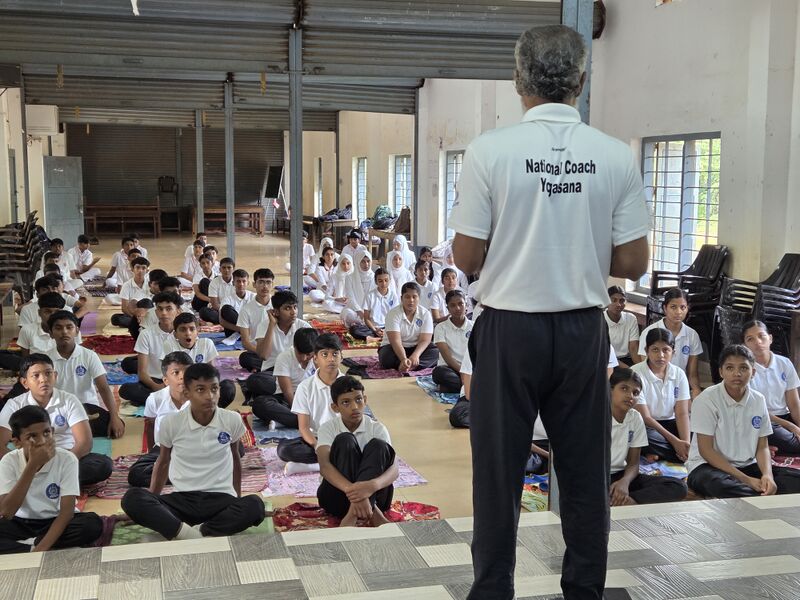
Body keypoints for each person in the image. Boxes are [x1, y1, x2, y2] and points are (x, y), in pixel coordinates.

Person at [449, 25, 649, 599]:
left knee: (498, 473)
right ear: (581, 82)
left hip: (510, 328)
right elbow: (633, 262)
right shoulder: (613, 155)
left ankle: (492, 591)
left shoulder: (490, 151)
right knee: (585, 474)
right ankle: (583, 591)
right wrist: (578, 242)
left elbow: (466, 256)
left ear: (518, 81)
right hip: (584, 329)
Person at [121, 363, 265, 539]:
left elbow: (235, 458)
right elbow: (163, 461)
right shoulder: (171, 423)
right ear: (187, 393)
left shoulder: (231, 420)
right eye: (200, 390)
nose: (209, 396)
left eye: (214, 389)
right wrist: (153, 502)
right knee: (132, 498)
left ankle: (189, 533)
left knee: (255, 505)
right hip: (183, 500)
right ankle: (197, 534)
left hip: (220, 499)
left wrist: (237, 498)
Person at [687, 345, 800, 498]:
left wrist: (768, 476)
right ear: (721, 372)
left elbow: (762, 447)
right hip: (708, 467)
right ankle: (760, 495)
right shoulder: (706, 400)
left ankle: (756, 494)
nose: (737, 374)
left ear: (753, 372)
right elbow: (706, 451)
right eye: (729, 368)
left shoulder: (758, 400)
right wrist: (746, 480)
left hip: (747, 464)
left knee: (793, 480)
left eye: (743, 368)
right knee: (717, 485)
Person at [0, 405, 103, 553]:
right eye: (32, 436)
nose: (42, 441)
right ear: (17, 442)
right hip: (19, 522)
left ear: (53, 432)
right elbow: (7, 511)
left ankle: (32, 545)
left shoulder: (67, 459)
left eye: (46, 433)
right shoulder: (9, 461)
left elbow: (66, 513)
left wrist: (40, 549)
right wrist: (32, 465)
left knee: (92, 525)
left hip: (54, 520)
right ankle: (33, 547)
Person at [0, 355, 113, 486]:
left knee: (102, 465)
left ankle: (39, 484)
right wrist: (23, 465)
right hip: (28, 462)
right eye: (36, 375)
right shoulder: (14, 404)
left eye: (48, 373)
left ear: (55, 376)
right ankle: (52, 483)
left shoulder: (69, 400)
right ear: (25, 383)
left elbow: (85, 443)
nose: (43, 380)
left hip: (65, 457)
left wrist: (59, 464)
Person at [316, 376, 397, 526]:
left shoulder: (377, 428)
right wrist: (355, 491)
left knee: (378, 445)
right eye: (346, 402)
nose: (354, 407)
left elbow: (394, 470)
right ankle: (373, 514)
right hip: (337, 497)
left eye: (358, 399)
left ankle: (354, 514)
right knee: (345, 440)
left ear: (365, 400)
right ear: (335, 407)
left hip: (377, 497)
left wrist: (372, 486)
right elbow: (325, 466)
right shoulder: (328, 428)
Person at [608, 368, 687, 506]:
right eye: (624, 389)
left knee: (678, 486)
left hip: (622, 475)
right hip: (596, 476)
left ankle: (627, 502)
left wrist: (624, 482)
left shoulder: (635, 417)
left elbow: (633, 463)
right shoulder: (596, 417)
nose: (630, 395)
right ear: (610, 390)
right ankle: (614, 501)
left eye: (635, 392)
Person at [47, 310, 125, 439]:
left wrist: (114, 416)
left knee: (116, 425)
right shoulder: (45, 358)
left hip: (87, 408)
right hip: (59, 409)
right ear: (50, 333)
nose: (64, 332)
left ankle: (67, 431)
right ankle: (71, 430)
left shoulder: (89, 355)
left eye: (69, 327)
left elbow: (104, 388)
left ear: (77, 331)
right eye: (58, 328)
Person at [278, 333, 344, 469]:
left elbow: (355, 423)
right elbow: (303, 427)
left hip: (343, 440)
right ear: (315, 358)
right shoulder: (305, 387)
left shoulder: (349, 385)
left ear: (341, 357)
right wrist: (316, 446)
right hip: (316, 439)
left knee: (366, 444)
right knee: (283, 449)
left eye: (335, 354)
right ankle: (331, 461)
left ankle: (315, 466)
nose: (331, 359)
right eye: (325, 355)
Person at [128, 352, 193, 487]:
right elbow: (150, 425)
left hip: (194, 447)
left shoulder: (199, 398)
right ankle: (192, 474)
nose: (182, 377)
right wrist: (152, 452)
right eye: (176, 373)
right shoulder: (155, 398)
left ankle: (183, 473)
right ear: (165, 380)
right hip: (164, 448)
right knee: (136, 474)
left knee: (235, 450)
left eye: (186, 372)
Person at [632, 329, 691, 463]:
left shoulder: (679, 374)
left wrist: (685, 443)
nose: (661, 355)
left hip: (671, 423)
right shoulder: (635, 374)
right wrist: (675, 442)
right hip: (648, 425)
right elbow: (646, 417)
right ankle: (682, 455)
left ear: (673, 352)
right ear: (646, 350)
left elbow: (682, 413)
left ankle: (675, 453)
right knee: (641, 435)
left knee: (698, 432)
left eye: (666, 350)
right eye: (655, 350)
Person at [742, 320, 800, 455]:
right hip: (762, 420)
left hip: (785, 417)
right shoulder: (745, 370)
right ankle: (764, 444)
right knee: (793, 443)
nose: (758, 342)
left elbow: (794, 404)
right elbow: (756, 410)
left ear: (770, 338)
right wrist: (791, 427)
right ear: (745, 345)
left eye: (762, 336)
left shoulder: (784, 363)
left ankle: (768, 445)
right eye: (750, 339)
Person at [245, 291, 312, 399]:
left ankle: (284, 392)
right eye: (287, 308)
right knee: (254, 381)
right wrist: (272, 325)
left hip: (297, 371)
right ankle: (290, 390)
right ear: (276, 311)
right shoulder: (265, 325)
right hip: (273, 372)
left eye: (295, 307)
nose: (293, 312)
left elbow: (313, 356)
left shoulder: (304, 327)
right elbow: (264, 356)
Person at [119, 292, 182, 406]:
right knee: (126, 389)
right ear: (156, 311)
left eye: (169, 309)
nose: (164, 313)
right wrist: (157, 387)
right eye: (160, 309)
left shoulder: (184, 333)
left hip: (180, 381)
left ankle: (158, 400)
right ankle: (167, 399)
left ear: (178, 311)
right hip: (155, 380)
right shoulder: (146, 334)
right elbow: (142, 373)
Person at [638, 288, 703, 398]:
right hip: (654, 386)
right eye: (673, 307)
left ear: (688, 309)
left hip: (679, 385)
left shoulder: (692, 335)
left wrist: (697, 391)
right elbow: (646, 370)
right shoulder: (649, 332)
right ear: (665, 308)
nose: (678, 312)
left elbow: (692, 374)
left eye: (683, 307)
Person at [162, 312, 236, 408]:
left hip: (203, 387)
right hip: (182, 389)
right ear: (175, 334)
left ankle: (210, 411)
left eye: (192, 329)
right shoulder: (169, 345)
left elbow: (212, 373)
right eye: (183, 330)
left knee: (228, 387)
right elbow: (170, 376)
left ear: (197, 331)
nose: (188, 333)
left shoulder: (206, 343)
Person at [251, 327, 318, 429]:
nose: (304, 358)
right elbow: (287, 392)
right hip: (287, 400)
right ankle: (306, 421)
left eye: (308, 355)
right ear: (294, 346)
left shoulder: (320, 357)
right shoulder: (284, 357)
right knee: (260, 404)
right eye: (300, 353)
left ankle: (284, 421)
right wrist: (300, 411)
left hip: (311, 399)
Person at [378, 282, 438, 371]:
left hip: (415, 348)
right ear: (401, 298)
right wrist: (403, 359)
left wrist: (415, 355)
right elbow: (395, 341)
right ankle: (408, 365)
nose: (411, 300)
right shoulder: (393, 314)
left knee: (436, 352)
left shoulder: (425, 314)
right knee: (386, 357)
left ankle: (406, 366)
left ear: (419, 298)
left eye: (414, 297)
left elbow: (425, 340)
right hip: (394, 348)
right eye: (407, 297)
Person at [17, 292, 82, 358]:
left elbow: (77, 356)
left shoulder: (72, 331)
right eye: (47, 312)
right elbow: (26, 360)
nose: (52, 315)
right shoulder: (27, 331)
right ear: (39, 313)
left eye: (57, 312)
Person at [432, 290, 473, 393]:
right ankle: (470, 386)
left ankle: (459, 386)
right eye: (453, 305)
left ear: (466, 305)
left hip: (470, 369)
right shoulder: (441, 328)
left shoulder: (474, 326)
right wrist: (462, 372)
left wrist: (469, 372)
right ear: (448, 309)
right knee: (439, 373)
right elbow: (447, 357)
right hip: (450, 368)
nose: (457, 308)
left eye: (460, 304)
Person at [236, 268, 275, 372]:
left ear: (272, 284)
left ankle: (266, 368)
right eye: (261, 282)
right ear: (254, 284)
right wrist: (263, 352)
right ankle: (273, 367)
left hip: (277, 350)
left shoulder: (277, 306)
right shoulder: (246, 309)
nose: (265, 286)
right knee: (245, 358)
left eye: (268, 282)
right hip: (257, 352)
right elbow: (245, 342)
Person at [349, 268, 398, 343]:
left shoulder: (393, 296)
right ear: (376, 282)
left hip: (388, 327)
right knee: (354, 329)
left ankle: (377, 337)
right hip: (373, 327)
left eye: (386, 280)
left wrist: (385, 330)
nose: (383, 283)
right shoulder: (369, 295)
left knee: (403, 329)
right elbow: (366, 318)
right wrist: (375, 330)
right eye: (380, 281)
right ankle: (381, 338)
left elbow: (395, 317)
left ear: (390, 280)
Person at [341, 248, 376, 331]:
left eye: (368, 261)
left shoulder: (375, 277)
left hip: (371, 311)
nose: (366, 264)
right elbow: (350, 297)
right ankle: (365, 323)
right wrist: (359, 310)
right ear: (358, 262)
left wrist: (368, 312)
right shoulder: (350, 277)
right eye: (363, 261)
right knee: (347, 314)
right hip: (356, 312)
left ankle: (362, 324)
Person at [604, 286, 640, 366]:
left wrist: (639, 369)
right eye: (614, 300)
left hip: (627, 359)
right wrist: (629, 370)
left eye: (622, 301)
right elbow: (605, 353)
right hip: (607, 361)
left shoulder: (631, 318)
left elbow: (633, 348)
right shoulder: (600, 320)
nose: (618, 304)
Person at [219, 269, 255, 339]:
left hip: (252, 328)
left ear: (248, 283)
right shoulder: (227, 299)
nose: (241, 284)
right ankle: (246, 333)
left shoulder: (254, 297)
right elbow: (222, 321)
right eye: (238, 281)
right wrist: (243, 330)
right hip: (234, 330)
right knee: (226, 308)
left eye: (244, 281)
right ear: (233, 283)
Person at [200, 257, 235, 324]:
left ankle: (225, 322)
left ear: (233, 269)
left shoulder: (237, 282)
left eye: (229, 267)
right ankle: (231, 322)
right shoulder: (214, 282)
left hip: (234, 310)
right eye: (224, 268)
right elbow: (215, 305)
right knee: (203, 312)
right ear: (220, 269)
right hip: (218, 311)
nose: (226, 270)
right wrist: (226, 312)